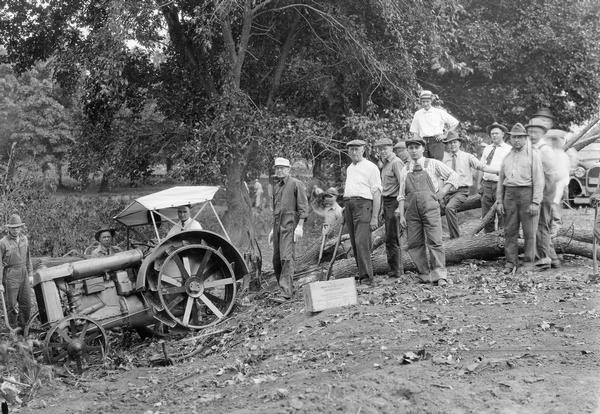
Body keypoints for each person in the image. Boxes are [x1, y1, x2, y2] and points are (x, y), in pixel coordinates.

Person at [395, 138, 460, 286]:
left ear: (423, 149)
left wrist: (443, 191)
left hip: (430, 208)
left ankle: (440, 275)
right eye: (410, 148)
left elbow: (454, 175)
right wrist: (401, 215)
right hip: (411, 211)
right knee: (415, 243)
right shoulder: (405, 169)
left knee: (435, 241)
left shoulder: (433, 164)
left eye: (416, 147)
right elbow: (401, 194)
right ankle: (424, 274)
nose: (413, 150)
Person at [496, 123, 544, 274]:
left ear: (525, 139)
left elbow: (539, 180)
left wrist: (535, 201)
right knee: (510, 231)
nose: (516, 140)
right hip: (509, 195)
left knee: (530, 232)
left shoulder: (533, 155)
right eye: (513, 137)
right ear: (510, 138)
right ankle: (511, 263)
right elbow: (501, 181)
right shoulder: (507, 157)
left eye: (519, 137)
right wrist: (499, 200)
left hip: (527, 194)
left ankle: (528, 263)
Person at [442, 131, 499, 239]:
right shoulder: (443, 159)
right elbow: (439, 177)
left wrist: (496, 171)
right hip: (447, 191)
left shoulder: (467, 156)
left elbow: (481, 166)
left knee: (449, 208)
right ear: (447, 145)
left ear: (459, 143)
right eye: (450, 143)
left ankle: (455, 238)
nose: (452, 145)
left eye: (454, 142)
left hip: (461, 191)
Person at [268, 157, 308, 298]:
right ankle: (284, 288)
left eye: (282, 168)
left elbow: (303, 207)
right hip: (278, 225)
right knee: (276, 259)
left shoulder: (296, 184)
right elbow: (276, 210)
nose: (279, 170)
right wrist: (273, 229)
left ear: (288, 169)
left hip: (290, 225)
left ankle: (286, 293)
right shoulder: (277, 186)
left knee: (286, 258)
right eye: (277, 168)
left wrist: (300, 226)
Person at [343, 140, 382, 285]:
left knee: (361, 242)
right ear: (348, 152)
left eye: (357, 149)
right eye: (351, 150)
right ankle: (362, 275)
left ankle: (367, 278)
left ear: (363, 150)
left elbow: (377, 193)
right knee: (354, 242)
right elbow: (351, 190)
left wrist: (374, 217)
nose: (354, 152)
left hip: (364, 205)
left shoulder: (371, 167)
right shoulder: (350, 168)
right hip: (349, 205)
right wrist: (344, 208)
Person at [525, 118, 560, 269]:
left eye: (535, 132)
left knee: (541, 225)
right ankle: (553, 259)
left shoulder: (544, 150)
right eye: (530, 132)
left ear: (542, 133)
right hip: (539, 193)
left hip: (544, 193)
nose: (532, 135)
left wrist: (541, 196)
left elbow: (549, 176)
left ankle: (544, 258)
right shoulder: (533, 148)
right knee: (540, 225)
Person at [374, 137, 405, 277]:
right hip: (386, 203)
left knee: (394, 237)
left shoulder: (396, 162)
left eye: (385, 148)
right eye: (380, 149)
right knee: (389, 237)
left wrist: (400, 206)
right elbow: (384, 188)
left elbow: (403, 185)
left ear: (391, 148)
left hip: (394, 202)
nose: (383, 152)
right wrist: (381, 209)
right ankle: (393, 269)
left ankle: (397, 270)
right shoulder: (384, 164)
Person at [0, 214, 33, 331]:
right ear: (8, 228)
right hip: (10, 274)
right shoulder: (3, 243)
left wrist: (30, 274)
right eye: (13, 228)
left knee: (27, 304)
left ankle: (23, 329)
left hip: (23, 273)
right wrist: (0, 283)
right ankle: (12, 330)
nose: (15, 230)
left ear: (21, 227)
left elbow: (28, 258)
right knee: (12, 306)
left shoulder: (25, 239)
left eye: (18, 227)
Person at [479, 122, 512, 233]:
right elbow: (481, 167)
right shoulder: (487, 149)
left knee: (502, 213)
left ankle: (502, 240)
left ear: (503, 134)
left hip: (501, 185)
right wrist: (480, 184)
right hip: (487, 184)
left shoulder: (509, 149)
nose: (494, 136)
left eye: (497, 133)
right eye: (492, 134)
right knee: (487, 216)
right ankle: (488, 242)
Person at [410, 90, 459, 161]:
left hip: (437, 142)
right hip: (423, 142)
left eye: (427, 101)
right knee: (424, 164)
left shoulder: (438, 112)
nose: (425, 104)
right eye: (423, 102)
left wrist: (445, 135)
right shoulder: (418, 114)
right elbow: (415, 132)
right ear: (421, 101)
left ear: (431, 101)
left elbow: (454, 123)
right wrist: (419, 143)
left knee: (437, 164)